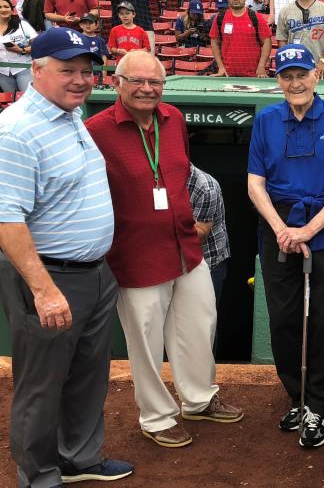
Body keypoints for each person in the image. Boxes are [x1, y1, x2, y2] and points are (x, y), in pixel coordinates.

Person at [85, 51, 244, 449]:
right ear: (116, 83)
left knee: (200, 323)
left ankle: (199, 398)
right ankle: (156, 417)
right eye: (137, 81)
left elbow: (177, 176)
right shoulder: (95, 130)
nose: (146, 89)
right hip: (135, 255)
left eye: (155, 82)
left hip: (185, 247)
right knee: (145, 338)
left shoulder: (173, 119)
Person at [0, 27, 134, 488]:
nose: (80, 80)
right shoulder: (17, 130)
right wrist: (43, 289)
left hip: (94, 273)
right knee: (42, 383)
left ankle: (79, 456)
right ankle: (38, 474)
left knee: (87, 375)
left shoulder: (69, 114)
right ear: (35, 71)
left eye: (86, 71)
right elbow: (6, 220)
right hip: (49, 276)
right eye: (66, 71)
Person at [247, 44, 324, 449]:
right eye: (287, 76)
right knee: (283, 317)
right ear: (277, 79)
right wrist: (283, 228)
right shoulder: (265, 120)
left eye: (302, 74)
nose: (295, 82)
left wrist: (308, 230)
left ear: (317, 74)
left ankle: (321, 402)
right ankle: (297, 396)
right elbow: (254, 184)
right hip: (278, 224)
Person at [187, 164, 231, 308]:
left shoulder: (205, 186)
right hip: (178, 263)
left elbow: (199, 235)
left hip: (208, 263)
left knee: (205, 322)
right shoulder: (160, 181)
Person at [276, 0, 324, 78]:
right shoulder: (285, 11)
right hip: (295, 69)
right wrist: (288, 62)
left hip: (322, 69)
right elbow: (282, 39)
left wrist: (323, 60)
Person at [209, 0, 271, 77]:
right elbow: (214, 42)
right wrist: (221, 67)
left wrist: (261, 66)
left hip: (253, 76)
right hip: (227, 76)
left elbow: (267, 41)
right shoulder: (220, 18)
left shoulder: (256, 17)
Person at [0, 0, 37, 94]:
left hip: (24, 68)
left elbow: (38, 45)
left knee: (29, 98)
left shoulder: (22, 25)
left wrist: (22, 50)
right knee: (11, 103)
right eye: (0, 7)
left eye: (6, 6)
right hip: (3, 72)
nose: (3, 9)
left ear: (12, 10)